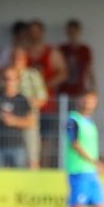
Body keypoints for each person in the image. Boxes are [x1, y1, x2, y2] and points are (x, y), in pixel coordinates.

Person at [27, 20, 68, 168]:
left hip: (47, 105)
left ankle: (44, 169)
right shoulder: (24, 52)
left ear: (42, 33)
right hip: (27, 106)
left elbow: (63, 73)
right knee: (28, 141)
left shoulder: (51, 52)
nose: (34, 35)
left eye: (36, 31)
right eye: (31, 32)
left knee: (46, 140)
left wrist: (43, 86)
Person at [0, 67, 33, 168]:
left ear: (17, 80)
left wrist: (14, 121)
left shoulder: (22, 100)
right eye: (5, 78)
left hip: (16, 145)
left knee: (18, 179)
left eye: (11, 79)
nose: (8, 82)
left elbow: (30, 122)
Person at [9, 46, 47, 169]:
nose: (17, 61)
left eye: (20, 58)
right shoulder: (6, 75)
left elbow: (42, 98)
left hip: (28, 119)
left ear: (25, 60)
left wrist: (23, 106)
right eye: (14, 58)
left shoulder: (33, 75)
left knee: (32, 155)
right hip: (9, 122)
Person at [59, 19, 95, 99]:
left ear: (79, 32)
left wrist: (93, 88)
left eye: (74, 32)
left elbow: (89, 69)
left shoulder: (85, 50)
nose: (72, 34)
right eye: (70, 32)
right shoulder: (62, 49)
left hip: (80, 90)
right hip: (64, 90)